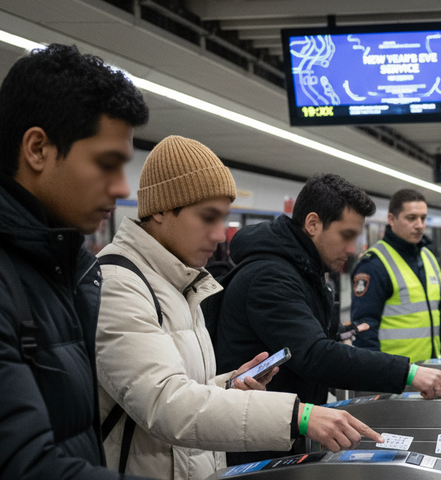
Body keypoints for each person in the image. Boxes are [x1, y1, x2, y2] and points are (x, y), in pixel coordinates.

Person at [95, 139, 383, 478]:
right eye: (208, 217)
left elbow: (186, 389)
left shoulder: (181, 283)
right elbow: (167, 405)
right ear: (160, 209)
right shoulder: (118, 283)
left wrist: (229, 386)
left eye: (224, 219)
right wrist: (297, 416)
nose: (221, 234)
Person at [214, 177, 441, 465]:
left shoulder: (303, 271)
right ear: (313, 224)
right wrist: (407, 372)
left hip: (285, 431)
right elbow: (314, 355)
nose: (352, 248)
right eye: (346, 235)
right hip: (257, 445)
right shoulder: (271, 277)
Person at [0, 44, 154, 480]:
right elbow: (25, 466)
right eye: (107, 164)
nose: (122, 188)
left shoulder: (67, 271)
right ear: (37, 148)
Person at [352, 188, 441, 358]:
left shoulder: (429, 258)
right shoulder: (374, 265)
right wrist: (375, 378)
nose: (419, 225)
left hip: (431, 373)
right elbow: (365, 331)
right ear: (391, 219)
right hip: (395, 377)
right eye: (411, 218)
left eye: (423, 218)